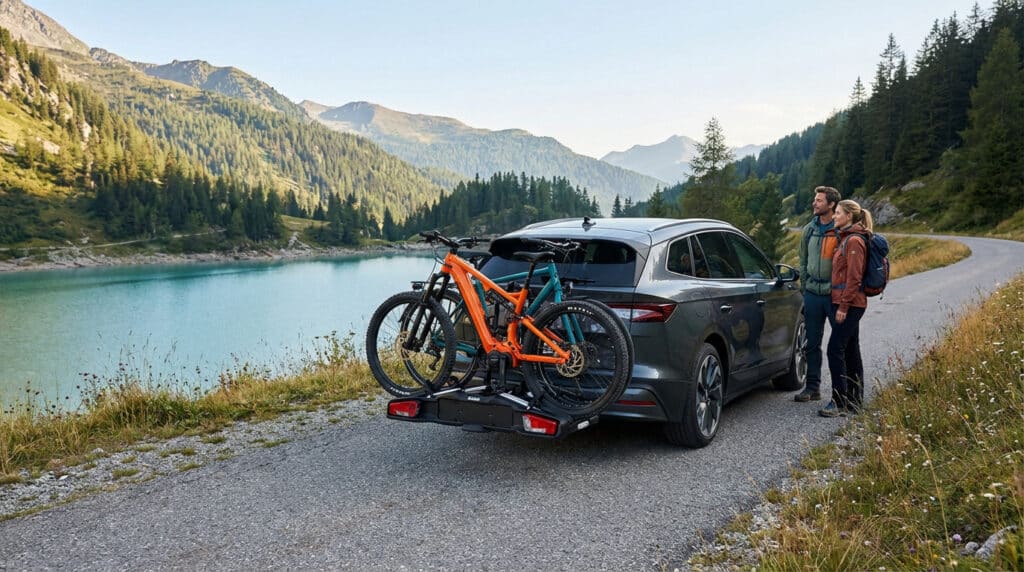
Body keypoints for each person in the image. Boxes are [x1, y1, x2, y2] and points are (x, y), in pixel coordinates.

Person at [819, 199, 872, 417]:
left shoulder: (854, 241)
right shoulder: (846, 238)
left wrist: (843, 306)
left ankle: (839, 401)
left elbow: (854, 278)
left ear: (849, 216)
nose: (835, 216)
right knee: (850, 349)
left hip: (849, 303)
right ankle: (855, 400)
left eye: (838, 213)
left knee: (835, 349)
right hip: (846, 302)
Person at [795, 186, 841, 402]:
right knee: (811, 343)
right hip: (813, 294)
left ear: (831, 204)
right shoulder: (809, 230)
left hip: (834, 295)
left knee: (839, 346)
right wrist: (805, 290)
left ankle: (841, 393)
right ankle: (812, 388)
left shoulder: (840, 230)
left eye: (819, 200)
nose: (814, 203)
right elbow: (802, 262)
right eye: (815, 199)